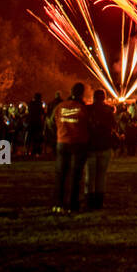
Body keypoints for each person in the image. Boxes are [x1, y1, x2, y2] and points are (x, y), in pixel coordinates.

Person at [51, 84, 91, 212]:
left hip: (62, 142)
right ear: (82, 94)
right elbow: (89, 125)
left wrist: (59, 133)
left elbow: (51, 123)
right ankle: (73, 205)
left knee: (61, 174)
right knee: (76, 175)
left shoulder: (60, 106)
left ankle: (58, 204)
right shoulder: (82, 108)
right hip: (78, 143)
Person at [83, 89, 118, 212]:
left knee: (89, 176)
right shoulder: (109, 111)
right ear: (104, 98)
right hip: (105, 146)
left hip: (91, 147)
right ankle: (99, 202)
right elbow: (114, 126)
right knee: (101, 177)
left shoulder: (87, 110)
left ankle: (89, 201)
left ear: (93, 98)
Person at [26, 94, 45, 159]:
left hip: (31, 123)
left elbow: (28, 111)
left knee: (30, 137)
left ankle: (28, 151)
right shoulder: (40, 104)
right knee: (38, 138)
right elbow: (43, 112)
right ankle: (37, 151)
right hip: (38, 123)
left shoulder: (30, 103)